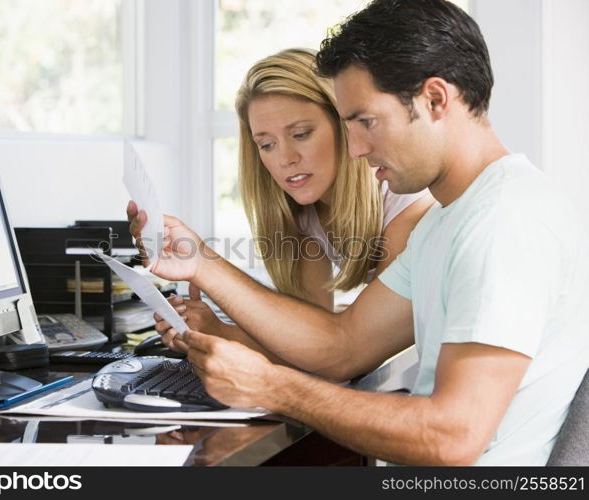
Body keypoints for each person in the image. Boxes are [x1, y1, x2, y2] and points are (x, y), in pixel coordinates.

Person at [128, 0, 589, 465]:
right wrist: (201, 262)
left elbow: (452, 437)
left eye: (366, 122)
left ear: (434, 100)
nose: (356, 149)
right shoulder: (450, 219)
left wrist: (274, 386)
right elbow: (343, 347)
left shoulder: (504, 219)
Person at [138, 48, 432, 361]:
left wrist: (204, 265)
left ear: (344, 124)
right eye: (266, 145)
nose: (285, 159)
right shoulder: (305, 212)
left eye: (301, 134)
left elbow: (348, 353)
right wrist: (214, 332)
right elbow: (311, 348)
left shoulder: (407, 202)